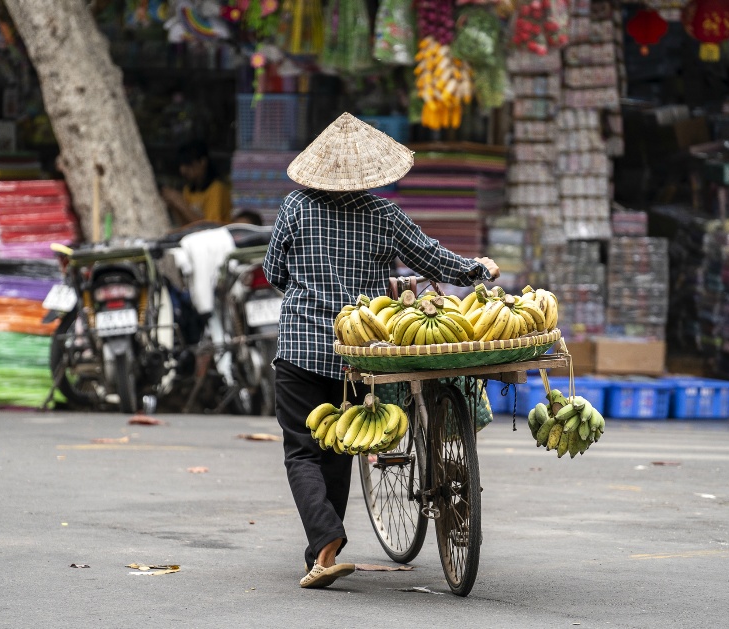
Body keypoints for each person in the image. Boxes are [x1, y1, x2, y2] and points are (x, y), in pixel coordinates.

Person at [262, 113, 500, 590]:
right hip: (360, 353)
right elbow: (433, 258)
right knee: (338, 451)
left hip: (301, 346)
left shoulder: (295, 208)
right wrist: (477, 270)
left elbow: (273, 272)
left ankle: (325, 544)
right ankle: (323, 548)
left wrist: (307, 287)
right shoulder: (383, 216)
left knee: (301, 452)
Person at [161, 140, 232, 226]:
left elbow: (210, 228)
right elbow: (184, 225)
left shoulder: (217, 189)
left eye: (188, 164)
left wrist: (181, 203)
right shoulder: (188, 190)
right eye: (181, 165)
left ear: (202, 162)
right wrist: (174, 206)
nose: (183, 170)